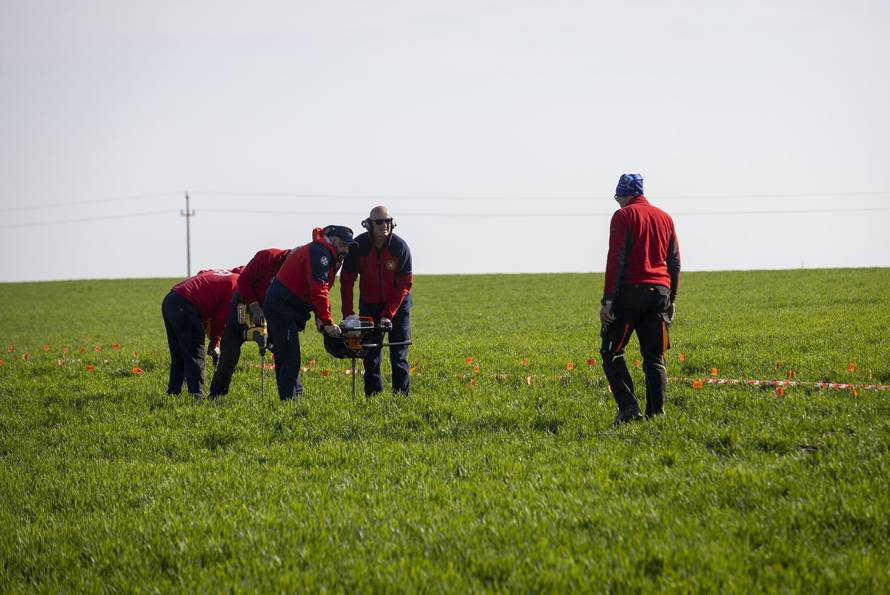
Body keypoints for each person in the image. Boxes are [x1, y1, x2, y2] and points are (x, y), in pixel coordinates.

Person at [599, 174, 681, 426]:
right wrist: (673, 299)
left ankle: (629, 408)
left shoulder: (623, 216)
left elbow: (617, 258)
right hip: (660, 294)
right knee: (654, 357)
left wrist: (608, 300)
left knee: (611, 352)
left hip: (630, 294)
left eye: (617, 198)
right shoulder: (665, 218)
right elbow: (675, 262)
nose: (618, 203)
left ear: (623, 194)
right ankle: (656, 415)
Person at [264, 225, 357, 400]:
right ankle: (289, 403)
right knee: (289, 358)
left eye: (348, 247)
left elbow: (321, 290)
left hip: (288, 307)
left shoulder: (330, 254)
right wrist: (327, 322)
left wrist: (320, 318)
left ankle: (294, 399)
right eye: (344, 245)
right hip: (281, 307)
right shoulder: (320, 253)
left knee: (287, 356)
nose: (346, 250)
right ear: (334, 239)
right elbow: (319, 289)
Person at [340, 206, 413, 396]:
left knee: (399, 355)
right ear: (369, 225)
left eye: (387, 221)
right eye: (379, 222)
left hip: (398, 307)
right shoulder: (358, 247)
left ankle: (401, 399)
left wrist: (388, 315)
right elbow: (347, 280)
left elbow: (404, 284)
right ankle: (373, 397)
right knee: (370, 355)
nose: (384, 225)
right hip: (369, 306)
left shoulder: (400, 248)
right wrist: (348, 314)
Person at [208, 247, 291, 398]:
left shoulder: (295, 273)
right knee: (228, 357)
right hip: (241, 306)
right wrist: (253, 306)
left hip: (270, 312)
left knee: (283, 352)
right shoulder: (267, 256)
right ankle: (216, 395)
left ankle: (289, 396)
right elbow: (243, 280)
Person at [161, 266, 244, 396]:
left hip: (171, 299)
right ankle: (196, 395)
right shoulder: (237, 284)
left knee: (179, 354)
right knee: (195, 352)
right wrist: (214, 343)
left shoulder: (223, 273)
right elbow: (222, 318)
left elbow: (201, 273)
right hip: (186, 304)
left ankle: (173, 392)